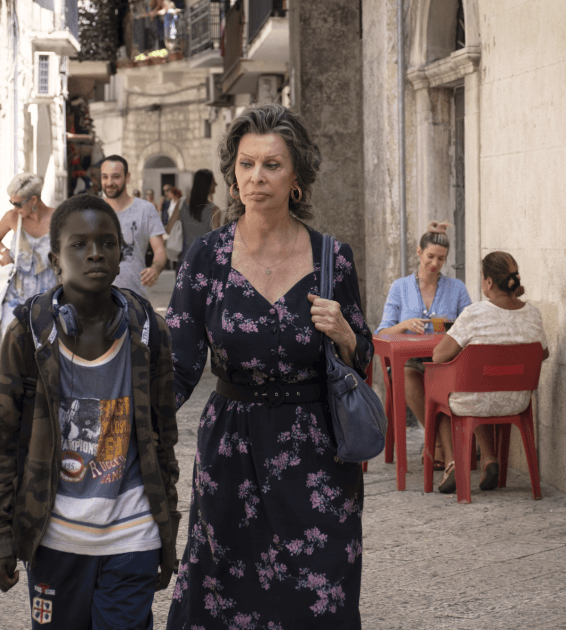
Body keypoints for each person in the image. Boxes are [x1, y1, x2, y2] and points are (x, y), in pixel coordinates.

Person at [165, 103, 372, 628]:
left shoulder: (332, 259)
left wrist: (346, 337)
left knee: (322, 592)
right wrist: (124, 419)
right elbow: (178, 367)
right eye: (247, 164)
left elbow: (362, 359)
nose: (257, 176)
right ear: (233, 174)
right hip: (231, 453)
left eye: (272, 165)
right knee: (223, 591)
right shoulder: (206, 258)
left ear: (296, 176)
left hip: (317, 454)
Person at [0, 195, 180, 629]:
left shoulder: (149, 334)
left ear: (121, 255)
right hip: (54, 541)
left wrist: (167, 532)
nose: (95, 253)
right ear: (55, 260)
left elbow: (164, 440)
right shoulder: (29, 335)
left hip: (133, 536)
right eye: (79, 244)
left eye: (107, 243)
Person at [431, 251, 549, 494]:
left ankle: (453, 464)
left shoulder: (474, 314)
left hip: (475, 400)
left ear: (488, 282)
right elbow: (543, 353)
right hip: (516, 401)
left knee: (442, 397)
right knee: (476, 387)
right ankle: (489, 459)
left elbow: (438, 356)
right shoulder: (533, 314)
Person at [375, 222, 472, 470]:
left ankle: (438, 446)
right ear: (419, 252)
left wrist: (451, 326)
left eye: (441, 259)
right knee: (407, 376)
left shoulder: (457, 288)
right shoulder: (400, 287)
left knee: (438, 380)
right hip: (410, 362)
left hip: (444, 359)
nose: (435, 263)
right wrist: (405, 324)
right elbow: (382, 333)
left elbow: (471, 325)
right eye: (430, 256)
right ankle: (437, 440)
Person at [0, 173, 58, 331]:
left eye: (18, 204)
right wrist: (4, 252)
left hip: (47, 302)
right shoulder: (12, 217)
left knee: (44, 345)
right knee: (11, 342)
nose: (15, 208)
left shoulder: (58, 219)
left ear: (34, 200)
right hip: (15, 301)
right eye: (12, 203)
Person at [100, 155, 167, 299]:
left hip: (134, 298)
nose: (109, 182)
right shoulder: (92, 211)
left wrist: (155, 269)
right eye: (105, 177)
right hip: (97, 299)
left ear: (127, 178)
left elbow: (160, 250)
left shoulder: (145, 209)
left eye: (116, 177)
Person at [173, 169, 222, 257]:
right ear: (206, 184)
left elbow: (169, 229)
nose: (216, 184)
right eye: (213, 182)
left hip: (185, 257)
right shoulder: (214, 209)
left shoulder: (181, 203)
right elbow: (216, 239)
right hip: (204, 258)